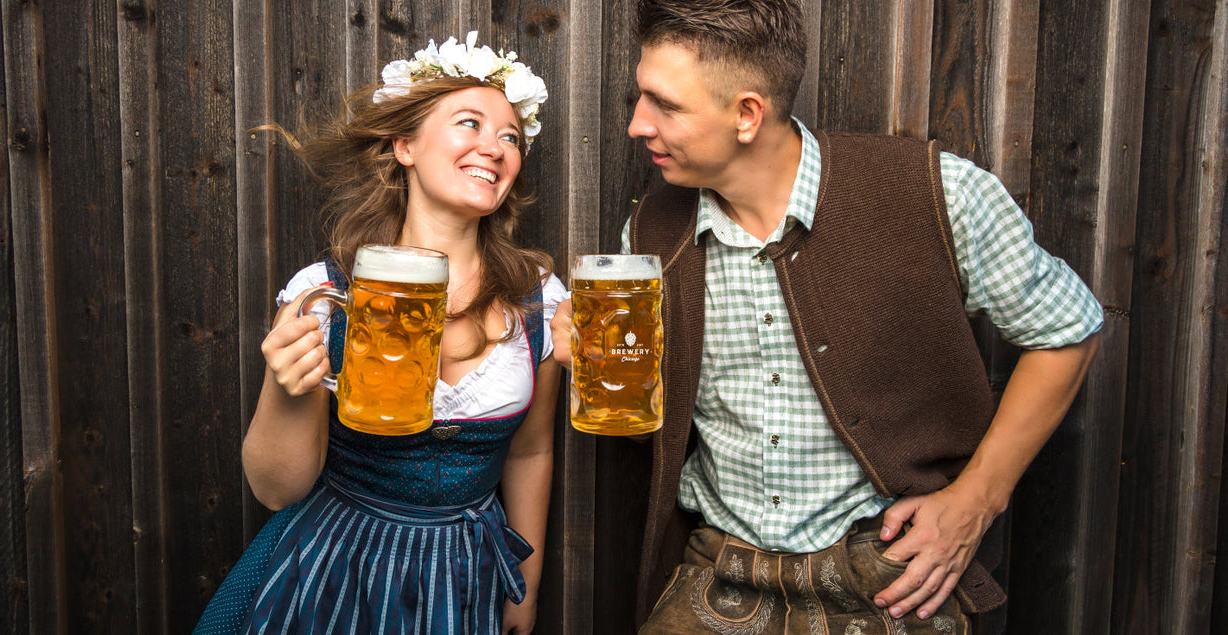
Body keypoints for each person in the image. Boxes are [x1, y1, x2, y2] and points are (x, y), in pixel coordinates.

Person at [550, 1, 1102, 633]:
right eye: (639, 98)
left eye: (664, 104)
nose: (636, 125)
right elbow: (657, 419)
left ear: (747, 114)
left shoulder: (933, 192)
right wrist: (600, 364)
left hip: (893, 570)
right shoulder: (651, 235)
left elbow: (1067, 331)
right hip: (719, 568)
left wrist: (978, 498)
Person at [195, 32, 561, 634]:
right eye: (469, 123)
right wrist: (287, 388)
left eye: (510, 137)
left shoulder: (540, 298)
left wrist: (528, 585)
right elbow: (277, 489)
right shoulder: (325, 294)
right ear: (405, 145)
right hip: (332, 565)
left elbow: (530, 450)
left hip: (464, 573)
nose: (493, 147)